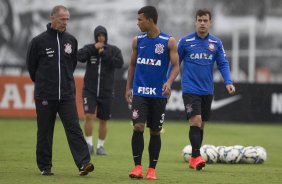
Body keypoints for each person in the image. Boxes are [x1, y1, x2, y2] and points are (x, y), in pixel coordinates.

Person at [26, 5, 94, 176]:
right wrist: (44, 84)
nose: (65, 22)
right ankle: (45, 166)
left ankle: (84, 163)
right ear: (52, 18)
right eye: (62, 19)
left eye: (67, 19)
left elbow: (70, 65)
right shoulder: (38, 42)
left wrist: (64, 82)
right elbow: (31, 68)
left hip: (66, 94)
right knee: (45, 131)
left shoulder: (71, 40)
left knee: (73, 128)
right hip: (45, 95)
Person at [125, 6, 179, 180]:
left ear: (150, 20)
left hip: (158, 94)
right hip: (140, 92)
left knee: (155, 132)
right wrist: (128, 88)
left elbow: (176, 66)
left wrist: (169, 82)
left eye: (140, 19)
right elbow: (132, 65)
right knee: (138, 127)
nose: (138, 23)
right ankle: (137, 167)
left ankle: (151, 170)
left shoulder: (168, 41)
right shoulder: (137, 41)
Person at [177, 9, 236, 170]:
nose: (202, 23)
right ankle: (196, 156)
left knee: (201, 124)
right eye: (199, 20)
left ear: (210, 22)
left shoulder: (216, 43)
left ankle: (194, 158)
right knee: (195, 120)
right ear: (195, 22)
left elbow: (223, 63)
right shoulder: (185, 41)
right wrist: (167, 81)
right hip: (190, 88)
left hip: (207, 90)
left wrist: (228, 81)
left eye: (205, 20)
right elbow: (175, 62)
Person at [77, 25, 124, 155]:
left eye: (103, 35)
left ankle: (100, 146)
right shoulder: (90, 49)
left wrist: (105, 54)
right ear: (95, 37)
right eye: (98, 36)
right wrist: (93, 49)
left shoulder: (113, 50)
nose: (101, 38)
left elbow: (120, 63)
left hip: (106, 92)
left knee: (103, 120)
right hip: (89, 91)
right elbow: (79, 56)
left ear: (106, 37)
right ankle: (88, 144)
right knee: (88, 116)